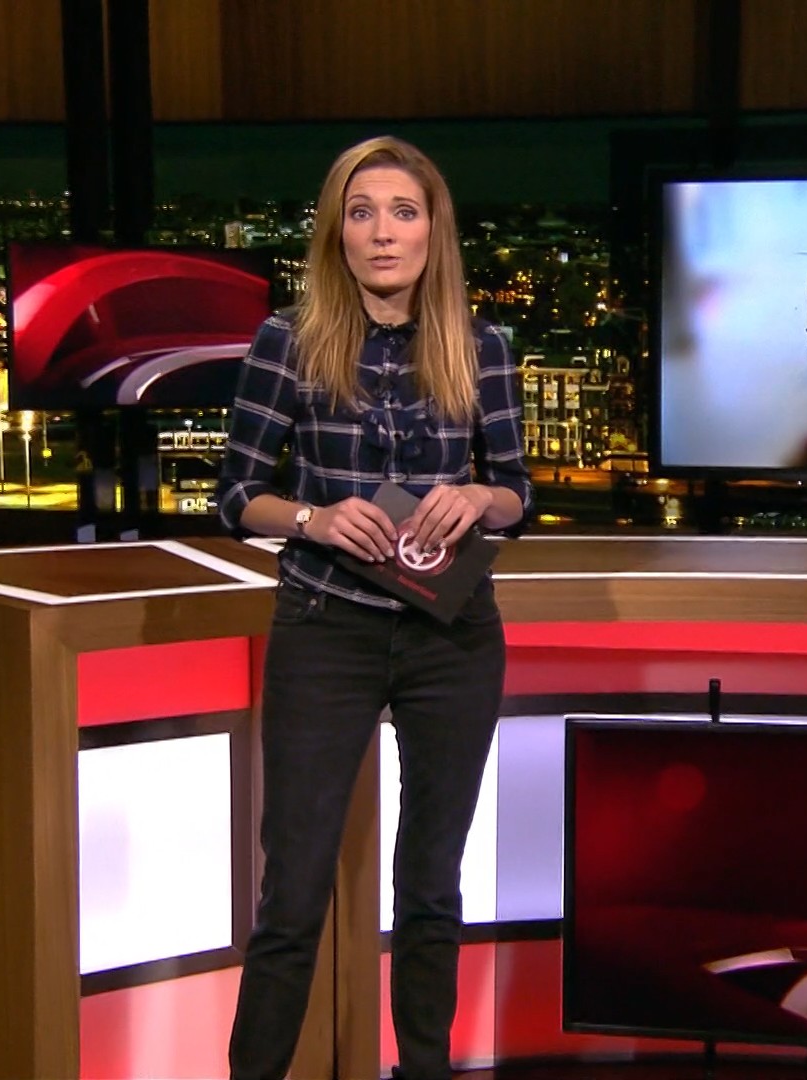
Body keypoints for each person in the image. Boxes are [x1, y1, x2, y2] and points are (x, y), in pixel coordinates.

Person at [215, 136, 534, 1080]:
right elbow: (237, 496)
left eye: (402, 212)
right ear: (337, 233)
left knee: (432, 887)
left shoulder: (482, 346)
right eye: (362, 213)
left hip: (451, 634)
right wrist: (311, 519)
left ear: (434, 230)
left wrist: (477, 498)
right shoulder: (288, 341)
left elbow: (518, 494)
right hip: (326, 627)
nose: (383, 232)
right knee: (293, 893)